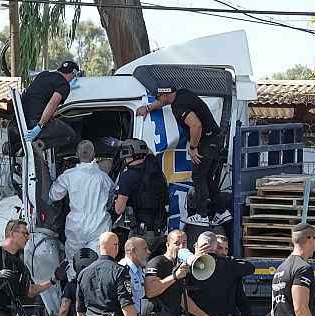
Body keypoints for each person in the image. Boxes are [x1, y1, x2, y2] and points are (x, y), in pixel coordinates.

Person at [137, 80, 231, 227]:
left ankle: (201, 215)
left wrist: (193, 147)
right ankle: (221, 211)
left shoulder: (178, 106)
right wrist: (148, 108)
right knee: (207, 178)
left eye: (158, 96)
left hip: (206, 143)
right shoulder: (182, 93)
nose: (158, 100)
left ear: (165, 94)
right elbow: (163, 102)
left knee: (199, 177)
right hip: (216, 140)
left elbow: (196, 125)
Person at [142, 229, 221, 316]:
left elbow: (182, 299)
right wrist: (174, 277)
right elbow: (150, 291)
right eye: (176, 243)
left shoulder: (180, 267)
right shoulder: (158, 262)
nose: (181, 247)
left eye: (184, 243)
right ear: (168, 245)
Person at [183, 232, 258, 316]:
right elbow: (249, 267)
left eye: (226, 249)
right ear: (212, 248)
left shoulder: (228, 268)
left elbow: (241, 300)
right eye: (220, 248)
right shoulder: (226, 267)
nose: (223, 252)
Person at [76, 232, 146, 316]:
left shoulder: (84, 273)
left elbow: (80, 309)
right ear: (116, 247)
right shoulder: (119, 272)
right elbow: (126, 306)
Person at [49, 140, 114, 271]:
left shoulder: (69, 175)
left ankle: (74, 287)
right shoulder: (104, 178)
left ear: (77, 155)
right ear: (94, 155)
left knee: (73, 260)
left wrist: (53, 182)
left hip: (76, 223)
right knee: (98, 261)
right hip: (99, 223)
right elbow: (111, 199)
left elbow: (54, 195)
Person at [114, 139, 169, 253]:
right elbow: (148, 151)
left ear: (127, 155)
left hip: (142, 233)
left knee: (133, 264)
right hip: (160, 229)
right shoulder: (154, 166)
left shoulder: (127, 176)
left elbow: (119, 209)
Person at [19, 60, 80, 153]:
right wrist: (40, 125)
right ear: (72, 74)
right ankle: (38, 146)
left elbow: (35, 94)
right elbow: (52, 104)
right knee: (70, 135)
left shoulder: (43, 75)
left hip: (21, 120)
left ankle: (25, 147)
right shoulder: (63, 85)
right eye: (73, 76)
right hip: (36, 122)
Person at [119, 236, 150, 316]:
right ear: (133, 251)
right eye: (145, 249)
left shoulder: (139, 270)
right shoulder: (122, 270)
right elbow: (124, 302)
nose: (148, 252)